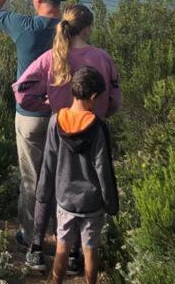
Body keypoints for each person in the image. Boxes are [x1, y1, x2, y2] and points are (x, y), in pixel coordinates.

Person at [12, 4, 120, 273]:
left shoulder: (52, 57)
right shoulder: (102, 57)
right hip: (94, 128)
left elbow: (21, 90)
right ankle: (75, 255)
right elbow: (116, 98)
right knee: (89, 185)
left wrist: (46, 105)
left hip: (60, 126)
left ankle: (36, 247)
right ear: (88, 28)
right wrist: (104, 113)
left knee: (48, 184)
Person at [0, 0, 63, 252]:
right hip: (63, 115)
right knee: (60, 175)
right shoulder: (70, 28)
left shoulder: (25, 27)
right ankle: (61, 234)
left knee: (31, 178)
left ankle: (31, 237)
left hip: (29, 114)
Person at [32, 66, 118, 284]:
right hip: (91, 203)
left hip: (65, 200)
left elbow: (48, 163)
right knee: (90, 250)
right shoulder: (98, 128)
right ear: (92, 96)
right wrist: (111, 203)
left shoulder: (55, 121)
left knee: (62, 247)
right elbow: (103, 168)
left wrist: (43, 194)